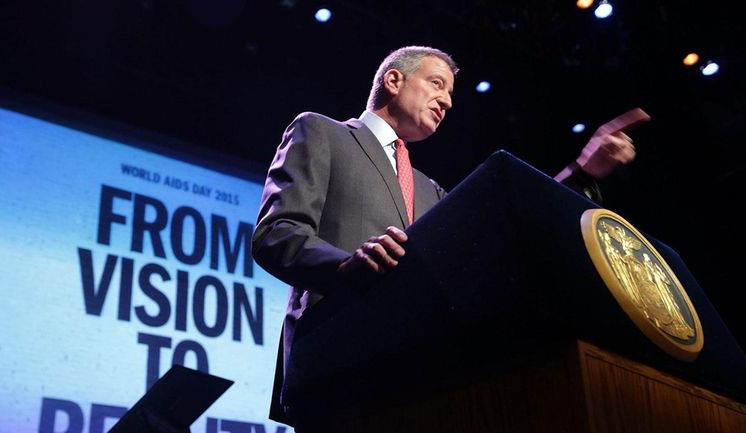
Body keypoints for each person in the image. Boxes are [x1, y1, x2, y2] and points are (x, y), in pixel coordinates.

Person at [252, 45, 648, 430]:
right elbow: (276, 233)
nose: (448, 102)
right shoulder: (321, 131)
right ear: (393, 79)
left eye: (450, 93)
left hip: (423, 380)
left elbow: (501, 228)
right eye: (437, 84)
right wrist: (344, 265)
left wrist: (581, 173)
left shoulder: (431, 190)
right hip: (336, 369)